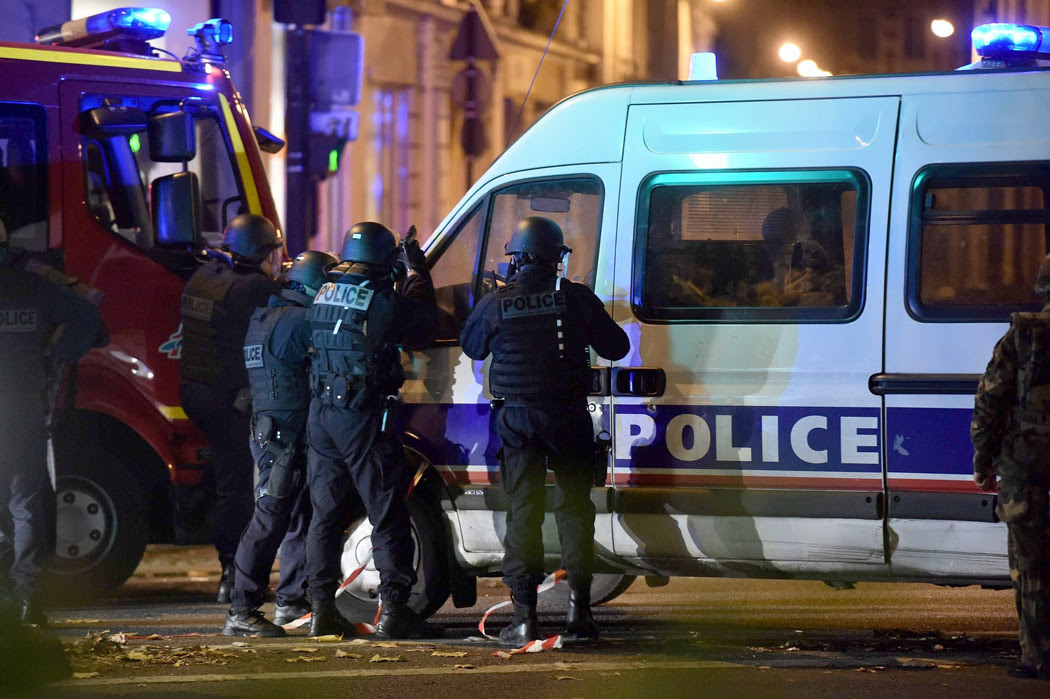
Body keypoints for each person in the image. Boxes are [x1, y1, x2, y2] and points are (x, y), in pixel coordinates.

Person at [460, 216, 630, 647]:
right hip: (569, 417)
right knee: (575, 510)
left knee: (524, 512)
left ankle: (525, 619)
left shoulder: (498, 302)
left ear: (517, 258)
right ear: (556, 258)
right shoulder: (576, 298)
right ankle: (580, 613)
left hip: (519, 419)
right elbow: (617, 346)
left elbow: (471, 346)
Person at [304, 221, 440, 639]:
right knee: (387, 512)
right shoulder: (380, 299)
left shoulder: (323, 292)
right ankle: (394, 611)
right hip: (362, 414)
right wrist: (417, 272)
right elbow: (423, 327)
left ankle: (321, 611)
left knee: (325, 515)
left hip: (322, 414)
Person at [222, 250, 338, 637]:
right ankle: (241, 610)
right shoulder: (301, 320)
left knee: (297, 516)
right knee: (270, 517)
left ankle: (290, 600)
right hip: (283, 437)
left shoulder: (266, 318)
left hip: (276, 431)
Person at [0, 220, 106, 626]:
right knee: (25, 504)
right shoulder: (35, 285)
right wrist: (57, 354)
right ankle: (27, 599)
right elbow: (88, 317)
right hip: (23, 408)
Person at [180, 214, 282, 603]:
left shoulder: (204, 277)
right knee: (236, 486)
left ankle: (229, 567)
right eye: (271, 252)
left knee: (225, 479)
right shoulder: (254, 288)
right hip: (227, 399)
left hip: (196, 390)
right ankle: (233, 573)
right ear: (259, 252)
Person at [972, 252, 1050, 681]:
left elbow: (990, 400)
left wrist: (982, 460)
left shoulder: (1021, 335)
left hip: (1026, 468)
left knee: (1031, 565)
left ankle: (1038, 658)